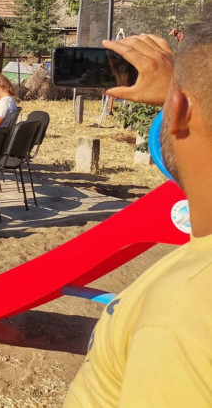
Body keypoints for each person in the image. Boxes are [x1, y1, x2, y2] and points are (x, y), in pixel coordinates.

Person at [64, 26, 212, 406]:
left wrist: (180, 96)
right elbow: (185, 167)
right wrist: (179, 98)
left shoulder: (179, 316)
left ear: (179, 110)